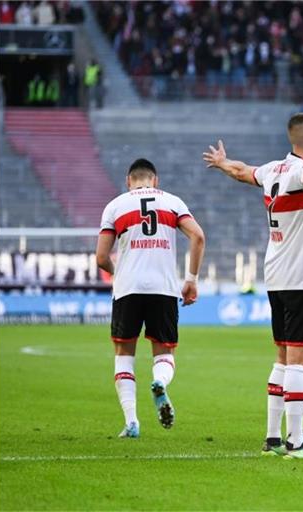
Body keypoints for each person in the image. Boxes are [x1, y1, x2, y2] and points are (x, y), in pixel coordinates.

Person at [202, 112, 303, 460]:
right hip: (301, 277)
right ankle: (295, 443)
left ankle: (273, 439)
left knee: (282, 355)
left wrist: (221, 162)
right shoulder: (297, 174)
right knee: (300, 356)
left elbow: (243, 171)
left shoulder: (273, 170)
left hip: (276, 274)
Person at [96, 158, 206, 439]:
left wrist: (118, 273)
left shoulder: (116, 206)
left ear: (128, 180)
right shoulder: (172, 202)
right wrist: (191, 280)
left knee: (124, 356)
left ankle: (132, 422)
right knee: (164, 352)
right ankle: (159, 382)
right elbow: (198, 237)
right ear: (155, 181)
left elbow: (100, 258)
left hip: (128, 288)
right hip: (164, 289)